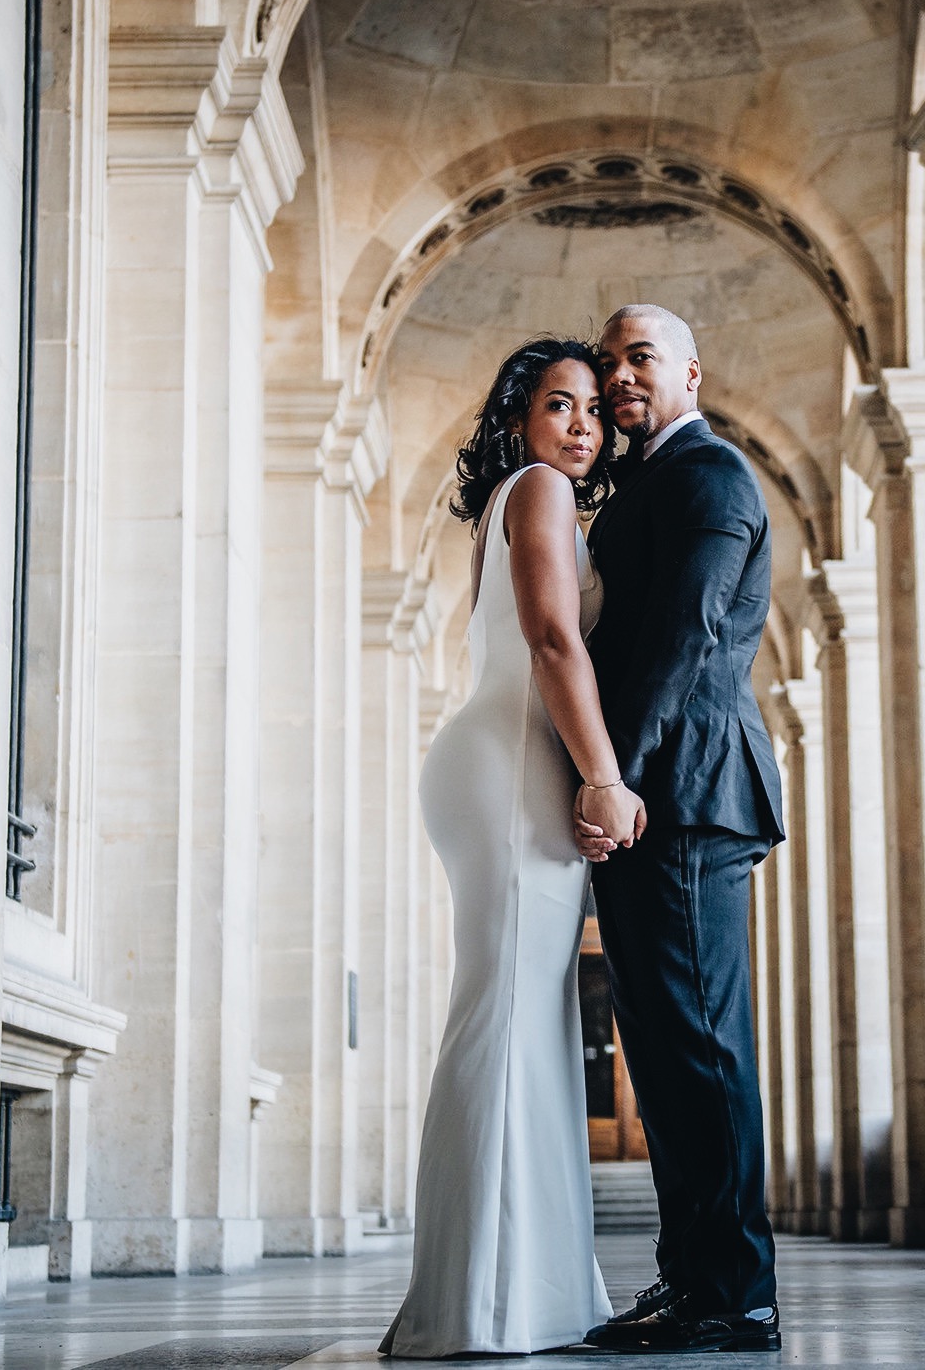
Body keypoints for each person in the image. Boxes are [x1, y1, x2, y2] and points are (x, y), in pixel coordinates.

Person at [379, 338, 638, 1359]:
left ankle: (504, 1292)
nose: (581, 424)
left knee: (515, 1016)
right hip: (508, 769)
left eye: (591, 410)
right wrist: (605, 775)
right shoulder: (535, 489)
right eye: (557, 403)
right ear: (519, 419)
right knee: (505, 1016)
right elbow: (550, 638)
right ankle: (482, 1304)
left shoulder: (519, 498)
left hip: (495, 760)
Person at [578, 302, 786, 1355]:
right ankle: (690, 1275)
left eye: (639, 356)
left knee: (701, 1051)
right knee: (660, 1056)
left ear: (690, 372)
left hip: (688, 793)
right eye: (609, 359)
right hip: (656, 796)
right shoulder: (650, 477)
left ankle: (738, 1291)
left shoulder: (708, 474)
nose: (620, 374)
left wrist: (613, 774)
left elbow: (685, 636)